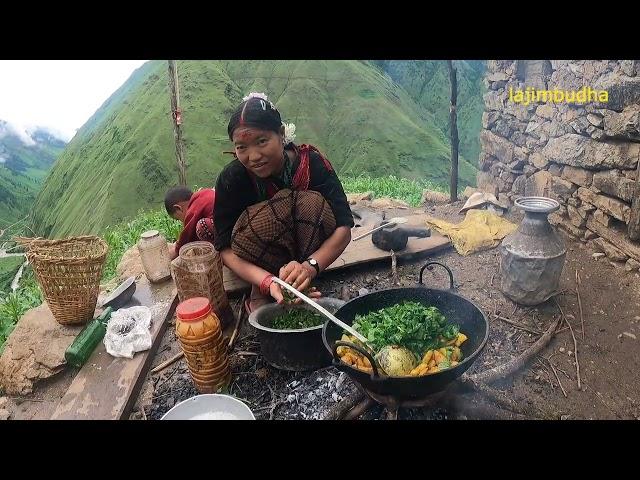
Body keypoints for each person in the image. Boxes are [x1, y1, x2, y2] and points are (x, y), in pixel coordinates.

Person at [213, 92, 354, 312]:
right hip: (260, 258)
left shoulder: (312, 164)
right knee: (250, 225)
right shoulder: (233, 179)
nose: (254, 156)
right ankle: (264, 287)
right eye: (242, 147)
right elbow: (225, 249)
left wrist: (310, 268)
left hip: (308, 254)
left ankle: (298, 278)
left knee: (311, 204)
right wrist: (267, 281)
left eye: (262, 141)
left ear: (281, 134)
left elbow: (344, 229)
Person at [164, 185, 216, 260]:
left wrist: (166, 259)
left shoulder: (192, 210)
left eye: (178, 219)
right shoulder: (203, 193)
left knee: (202, 226)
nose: (182, 222)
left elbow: (186, 237)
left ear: (178, 208)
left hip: (230, 230)